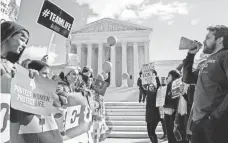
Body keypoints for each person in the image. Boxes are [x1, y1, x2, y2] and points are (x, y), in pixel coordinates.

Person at [183, 25, 228, 143]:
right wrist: (190, 55)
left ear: (219, 39)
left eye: (208, 38)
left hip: (215, 123)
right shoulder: (207, 60)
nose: (203, 41)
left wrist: (215, 116)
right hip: (198, 122)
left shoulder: (225, 55)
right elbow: (187, 78)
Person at [19, 60, 63, 143]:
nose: (47, 77)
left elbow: (58, 104)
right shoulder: (25, 87)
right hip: (32, 136)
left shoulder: (47, 90)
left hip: (48, 134)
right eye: (44, 73)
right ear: (34, 72)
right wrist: (26, 79)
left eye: (48, 74)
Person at [163, 70, 180, 143]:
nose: (167, 77)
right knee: (169, 132)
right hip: (168, 111)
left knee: (171, 133)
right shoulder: (167, 86)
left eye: (169, 76)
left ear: (173, 76)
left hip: (173, 112)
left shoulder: (175, 85)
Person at [145, 70, 161, 143]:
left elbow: (159, 86)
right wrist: (140, 77)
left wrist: (156, 76)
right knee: (149, 133)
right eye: (150, 86)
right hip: (148, 117)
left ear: (154, 88)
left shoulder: (156, 94)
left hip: (154, 116)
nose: (151, 87)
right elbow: (141, 87)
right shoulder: (147, 94)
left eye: (152, 86)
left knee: (152, 132)